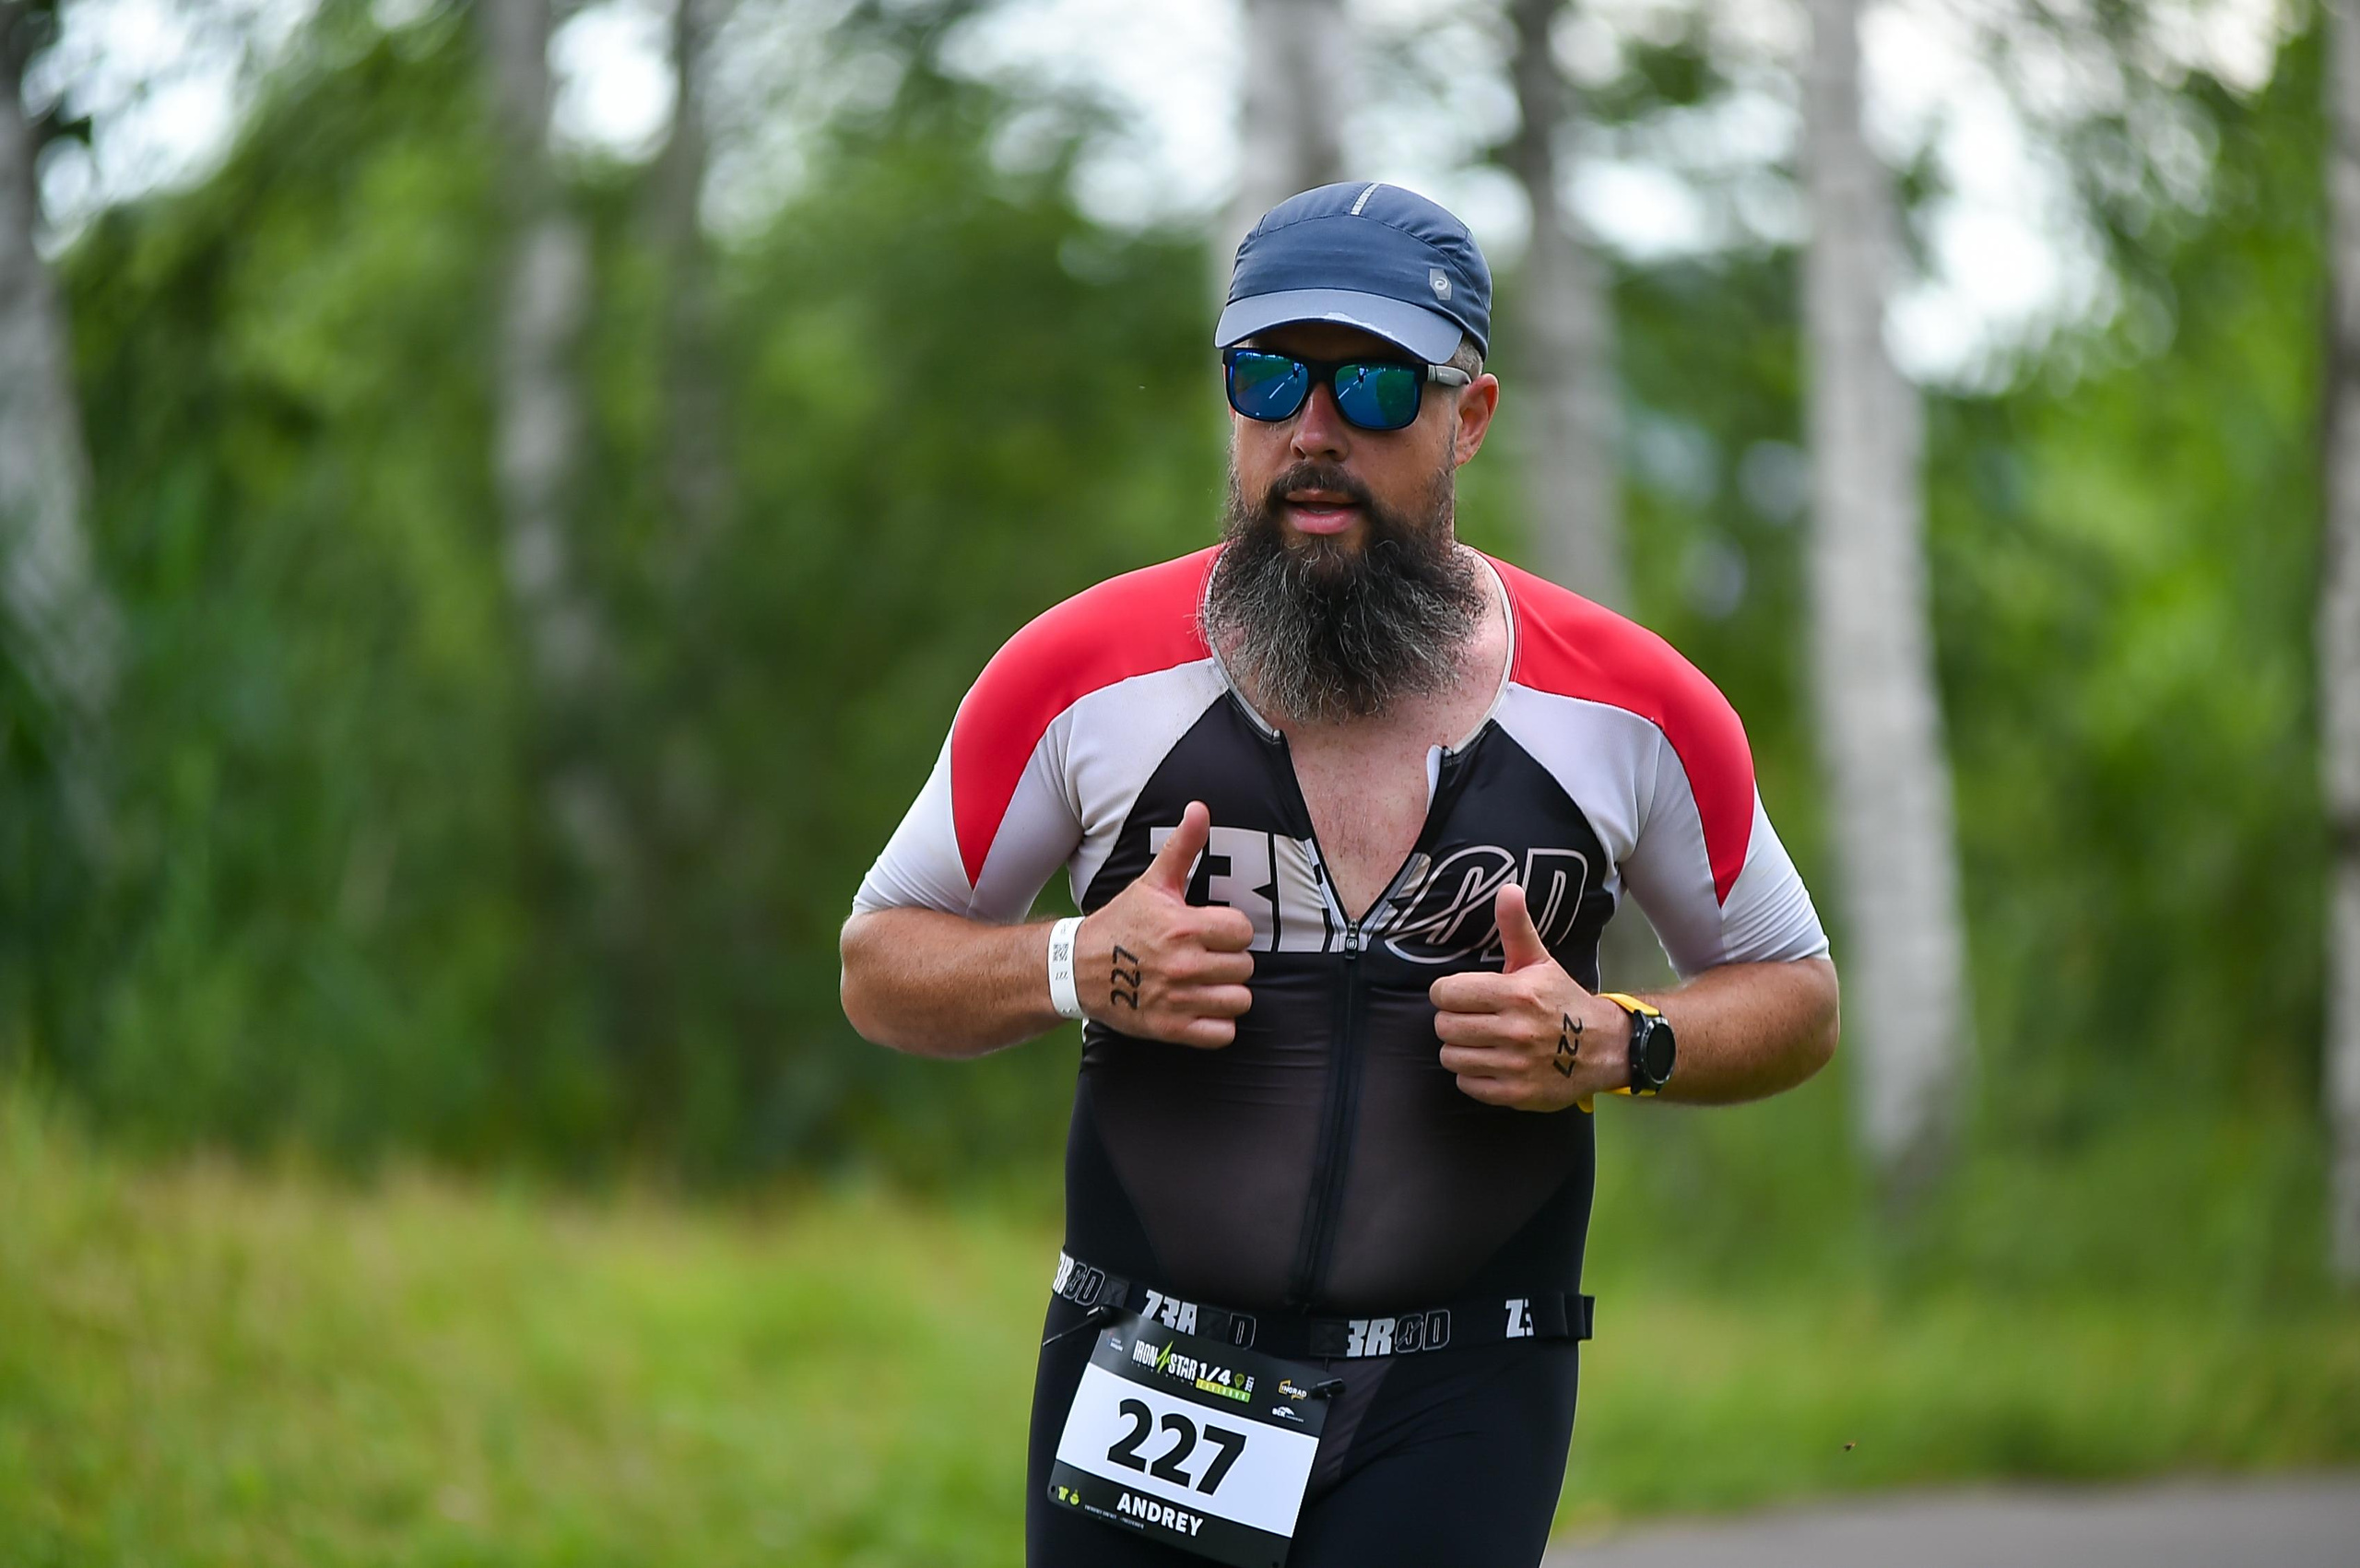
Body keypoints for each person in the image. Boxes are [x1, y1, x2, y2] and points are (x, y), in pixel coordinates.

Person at [840, 182, 1840, 1568]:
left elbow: (1798, 993)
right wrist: (1074, 961)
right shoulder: (1081, 674)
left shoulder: (1631, 708)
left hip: (1461, 1388)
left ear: (1468, 416)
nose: (1313, 431)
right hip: (1150, 1367)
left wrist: (1624, 1041)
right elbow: (879, 962)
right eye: (1268, 380)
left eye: (1371, 386)